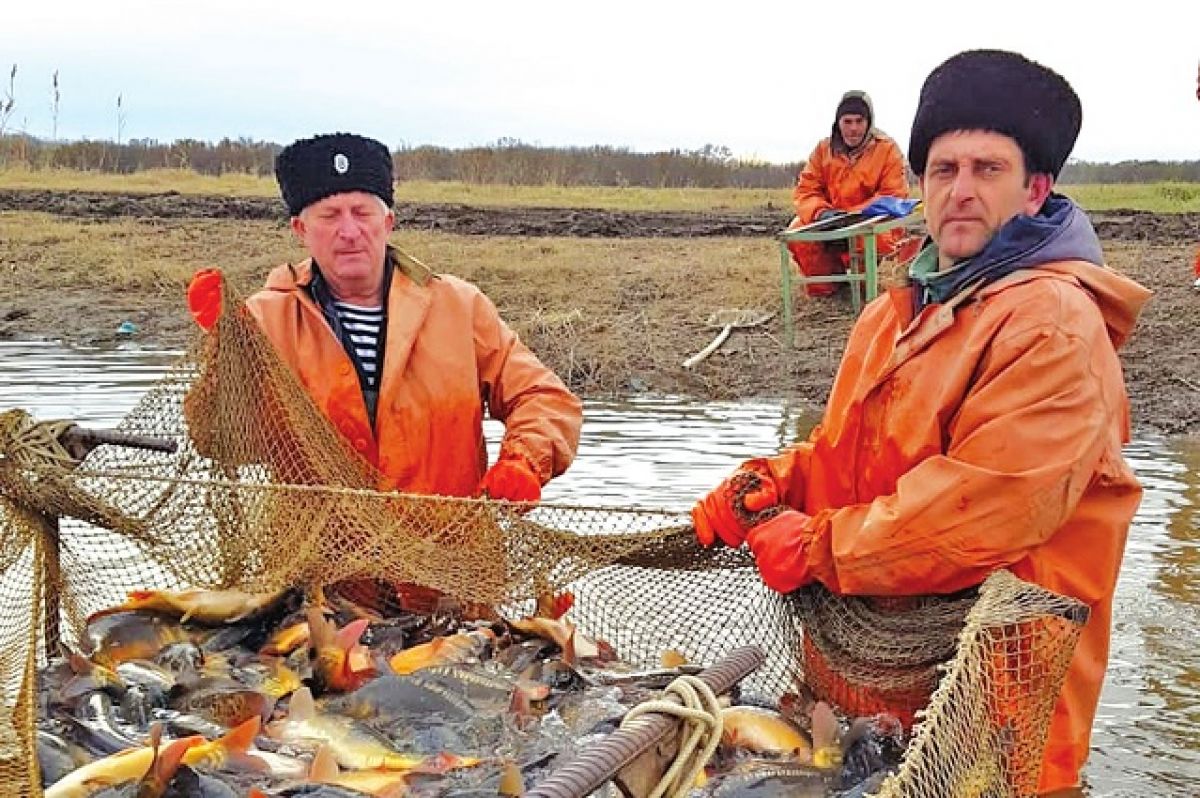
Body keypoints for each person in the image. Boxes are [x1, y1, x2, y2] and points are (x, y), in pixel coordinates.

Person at [693, 50, 1151, 794]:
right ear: (921, 185)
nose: (961, 192)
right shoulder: (892, 313)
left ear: (1037, 189)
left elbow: (984, 511)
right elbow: (847, 457)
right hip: (867, 702)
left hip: (994, 718)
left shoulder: (1055, 323)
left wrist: (814, 544)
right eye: (944, 169)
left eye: (987, 169)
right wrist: (773, 479)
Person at [187, 132, 582, 504]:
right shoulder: (262, 320)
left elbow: (544, 397)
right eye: (329, 215)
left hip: (449, 563)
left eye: (362, 212)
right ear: (300, 229)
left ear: (388, 222)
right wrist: (226, 342)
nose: (349, 231)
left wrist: (524, 460)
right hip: (316, 569)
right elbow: (218, 440)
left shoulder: (461, 308)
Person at [785, 90, 910, 297]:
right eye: (847, 121)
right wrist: (822, 214)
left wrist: (850, 219)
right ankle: (827, 291)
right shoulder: (823, 150)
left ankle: (861, 289)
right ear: (838, 123)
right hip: (828, 219)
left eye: (859, 121)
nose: (853, 128)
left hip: (869, 221)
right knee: (798, 232)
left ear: (869, 122)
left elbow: (892, 197)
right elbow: (806, 190)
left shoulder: (887, 150)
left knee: (872, 240)